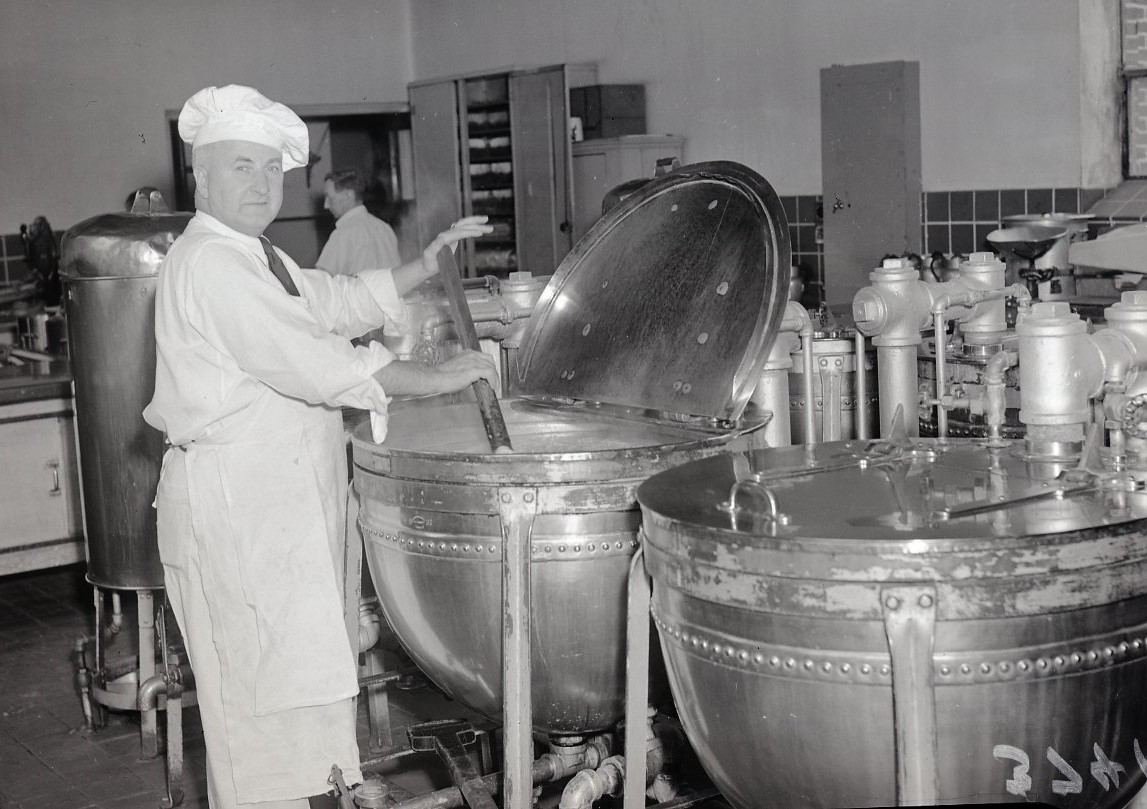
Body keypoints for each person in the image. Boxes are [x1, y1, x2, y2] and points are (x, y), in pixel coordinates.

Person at [142, 84, 495, 809]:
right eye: (240, 166)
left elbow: (332, 300)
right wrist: (439, 377)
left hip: (274, 508)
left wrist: (424, 264)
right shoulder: (211, 264)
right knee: (258, 720)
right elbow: (318, 359)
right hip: (238, 510)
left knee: (292, 705)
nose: (261, 182)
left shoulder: (256, 254)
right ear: (200, 177)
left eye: (272, 169)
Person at [316, 169, 401, 276]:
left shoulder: (343, 233)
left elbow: (322, 280)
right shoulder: (384, 228)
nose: (326, 205)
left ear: (348, 195)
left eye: (329, 197)